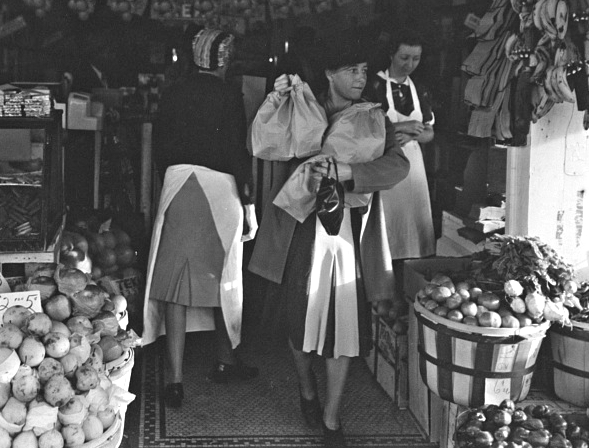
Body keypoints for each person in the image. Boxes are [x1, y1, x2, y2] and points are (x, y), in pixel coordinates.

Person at [248, 38, 409, 448]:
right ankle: (306, 389)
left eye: (363, 70)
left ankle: (332, 418)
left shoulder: (374, 117)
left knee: (346, 327)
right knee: (296, 320)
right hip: (301, 228)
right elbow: (265, 144)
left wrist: (351, 171)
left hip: (349, 231)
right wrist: (280, 99)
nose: (361, 78)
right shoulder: (301, 106)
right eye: (351, 70)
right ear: (329, 74)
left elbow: (397, 164)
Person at [140, 28, 259, 409]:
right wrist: (251, 203)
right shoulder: (228, 95)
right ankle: (225, 361)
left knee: (176, 283)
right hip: (220, 189)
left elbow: (159, 148)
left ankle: (174, 380)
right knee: (224, 276)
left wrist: (167, 184)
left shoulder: (173, 92)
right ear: (224, 60)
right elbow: (238, 153)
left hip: (177, 186)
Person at [365, 31, 436, 261]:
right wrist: (405, 127)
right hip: (383, 164)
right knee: (386, 226)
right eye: (404, 57)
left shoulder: (420, 89)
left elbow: (429, 133)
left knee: (412, 228)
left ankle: (410, 276)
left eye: (416, 58)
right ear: (391, 55)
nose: (410, 64)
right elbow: (367, 131)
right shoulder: (373, 85)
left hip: (413, 168)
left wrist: (414, 134)